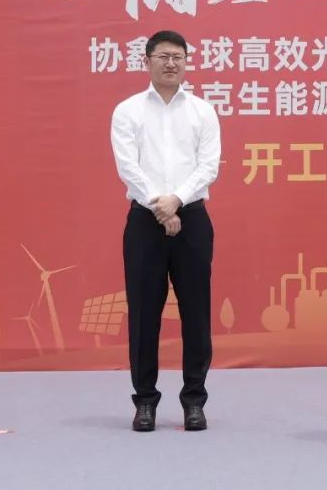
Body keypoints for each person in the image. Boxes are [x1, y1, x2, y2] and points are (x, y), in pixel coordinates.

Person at [111, 29, 221, 432]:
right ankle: (145, 402)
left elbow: (208, 165)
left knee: (196, 314)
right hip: (145, 220)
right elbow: (128, 166)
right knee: (144, 315)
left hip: (192, 219)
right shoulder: (128, 111)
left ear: (187, 62)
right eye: (163, 56)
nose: (171, 63)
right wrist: (160, 206)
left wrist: (176, 201)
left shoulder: (203, 111)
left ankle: (194, 401)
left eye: (178, 57)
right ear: (147, 61)